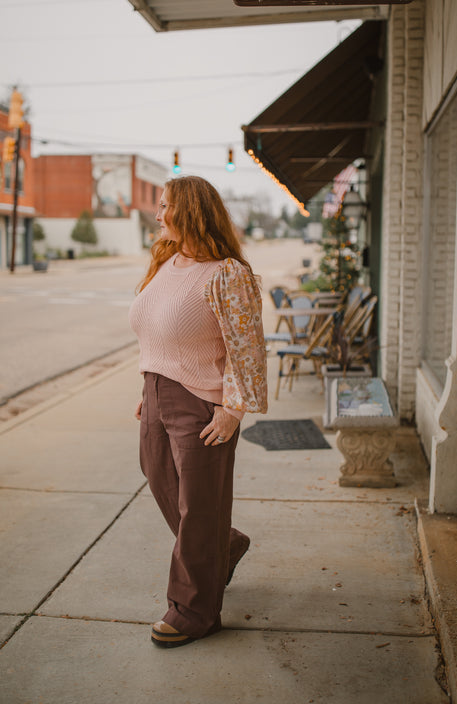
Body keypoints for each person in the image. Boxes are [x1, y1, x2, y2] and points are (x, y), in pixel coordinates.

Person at [129, 175, 267, 648]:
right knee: (158, 476)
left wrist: (232, 410)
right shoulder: (168, 262)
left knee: (199, 505)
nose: (158, 213)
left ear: (189, 211)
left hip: (203, 402)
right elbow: (154, 332)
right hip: (157, 391)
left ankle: (193, 611)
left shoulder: (227, 274)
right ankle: (222, 546)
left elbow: (246, 349)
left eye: (165, 205)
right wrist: (151, 386)